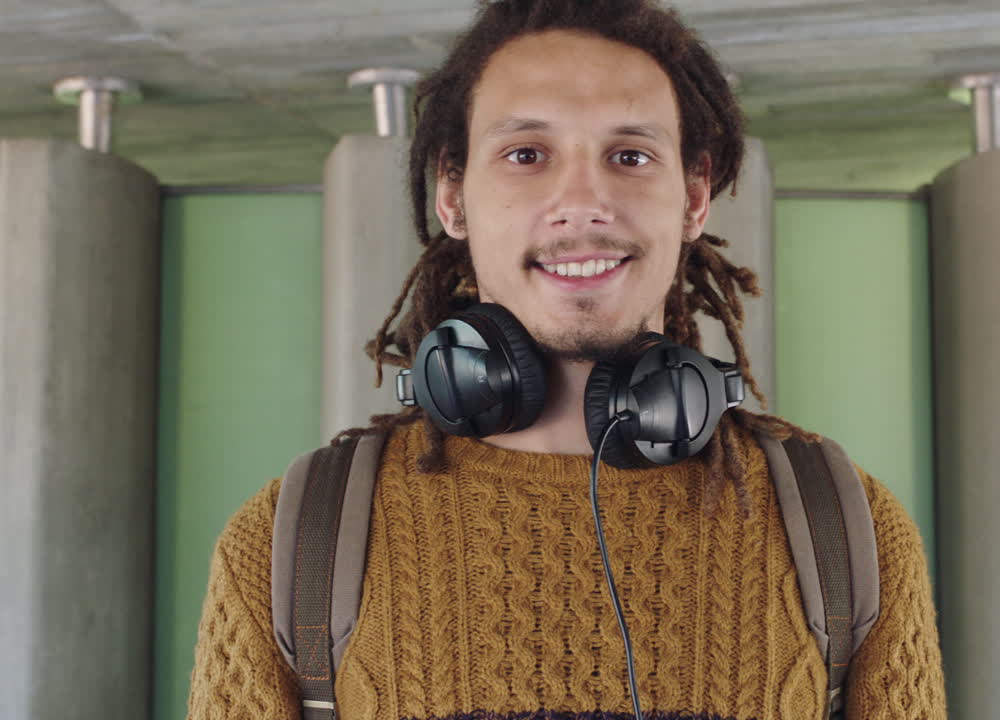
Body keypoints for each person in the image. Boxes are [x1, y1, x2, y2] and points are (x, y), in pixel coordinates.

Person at [186, 1, 946, 719]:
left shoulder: (847, 534)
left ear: (693, 197)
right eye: (526, 153)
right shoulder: (289, 547)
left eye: (628, 154)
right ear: (453, 196)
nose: (583, 200)